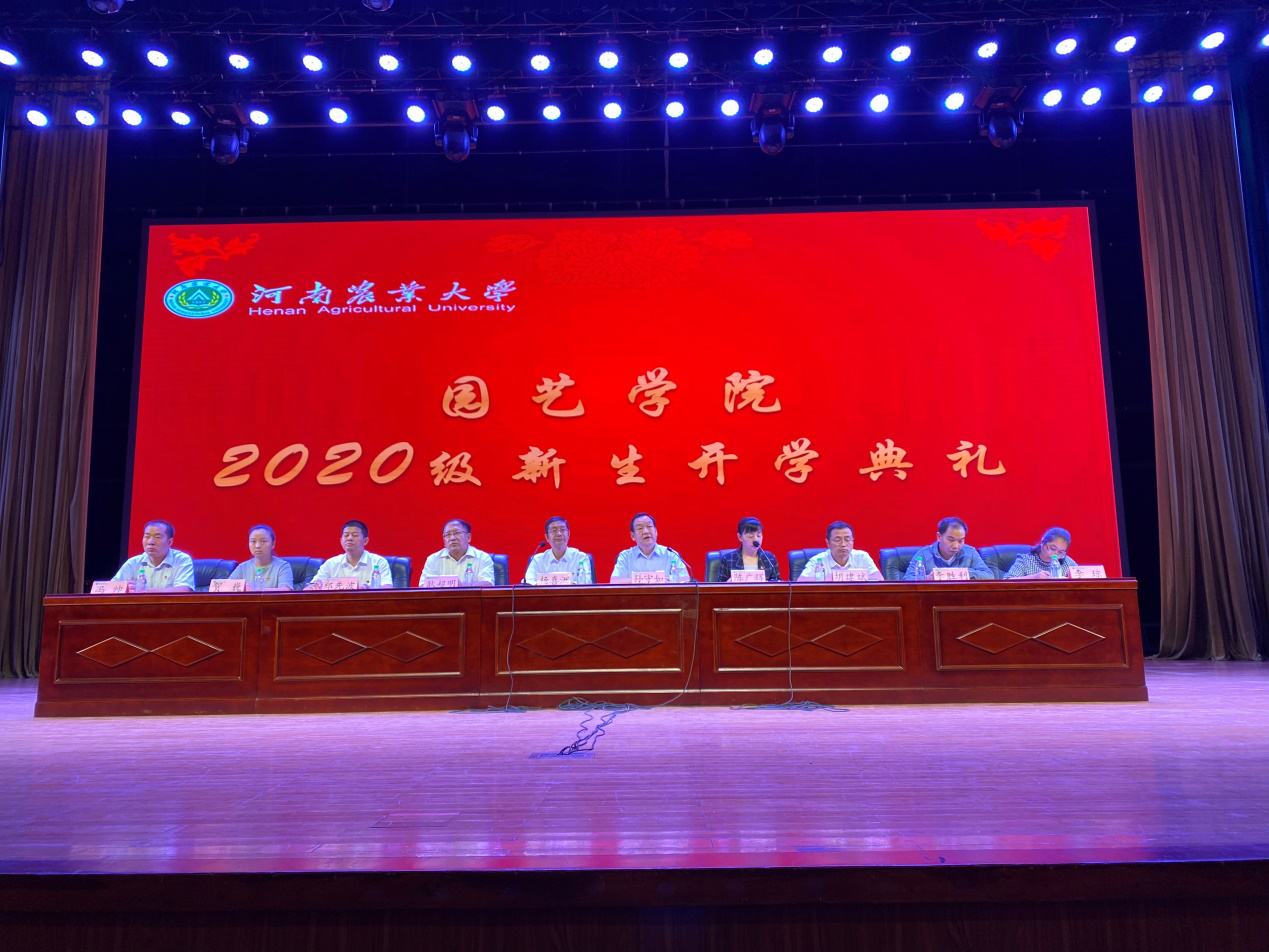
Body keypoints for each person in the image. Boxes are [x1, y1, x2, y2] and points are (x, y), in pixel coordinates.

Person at [111, 519, 195, 593]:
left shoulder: (181, 560)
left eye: (157, 537)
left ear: (169, 542)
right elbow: (111, 588)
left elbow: (184, 590)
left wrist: (142, 590)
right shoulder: (133, 562)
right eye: (147, 536)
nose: (150, 542)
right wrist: (124, 588)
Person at [306, 520, 394, 589]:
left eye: (355, 535)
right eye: (346, 535)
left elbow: (388, 588)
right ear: (341, 541)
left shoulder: (378, 562)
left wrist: (367, 589)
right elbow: (310, 588)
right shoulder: (331, 564)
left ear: (365, 541)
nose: (350, 538)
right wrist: (313, 586)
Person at [903, 516, 993, 580]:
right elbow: (907, 579)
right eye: (951, 540)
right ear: (939, 536)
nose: (956, 546)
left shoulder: (970, 552)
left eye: (960, 541)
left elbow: (989, 576)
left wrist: (963, 573)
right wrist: (927, 578)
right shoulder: (923, 554)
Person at [610, 512, 690, 582]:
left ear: (656, 531)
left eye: (649, 526)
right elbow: (614, 581)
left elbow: (686, 581)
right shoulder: (625, 557)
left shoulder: (671, 555)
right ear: (633, 536)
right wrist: (654, 580)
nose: (646, 531)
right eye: (640, 528)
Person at [419, 518, 495, 586]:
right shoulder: (433, 559)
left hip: (471, 598)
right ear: (444, 540)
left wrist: (458, 586)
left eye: (457, 533)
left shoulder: (482, 558)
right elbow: (423, 585)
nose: (452, 538)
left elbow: (488, 584)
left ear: (469, 537)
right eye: (448, 534)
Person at [797, 521, 882, 581]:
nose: (843, 544)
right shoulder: (818, 560)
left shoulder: (862, 557)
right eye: (837, 540)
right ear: (828, 543)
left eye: (847, 539)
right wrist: (829, 579)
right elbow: (801, 582)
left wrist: (843, 577)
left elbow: (879, 579)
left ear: (853, 541)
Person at [525, 516, 593, 584]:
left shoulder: (580, 558)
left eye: (562, 529)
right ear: (547, 537)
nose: (559, 534)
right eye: (554, 531)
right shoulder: (538, 560)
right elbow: (528, 582)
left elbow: (587, 583)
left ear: (568, 534)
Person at [227, 524, 295, 591]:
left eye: (263, 541)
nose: (257, 546)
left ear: (273, 544)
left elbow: (286, 590)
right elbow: (226, 588)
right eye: (253, 541)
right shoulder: (242, 567)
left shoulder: (282, 566)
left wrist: (255, 590)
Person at [716, 516, 781, 581]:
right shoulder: (728, 559)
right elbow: (720, 586)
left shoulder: (770, 559)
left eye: (759, 535)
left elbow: (778, 583)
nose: (755, 540)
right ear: (740, 537)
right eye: (750, 536)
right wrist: (728, 584)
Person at [1005, 527, 1080, 579]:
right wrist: (1033, 577)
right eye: (1052, 548)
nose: (1055, 554)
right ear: (1042, 542)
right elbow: (1007, 580)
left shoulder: (1067, 562)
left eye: (1060, 552)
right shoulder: (1025, 560)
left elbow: (1082, 579)